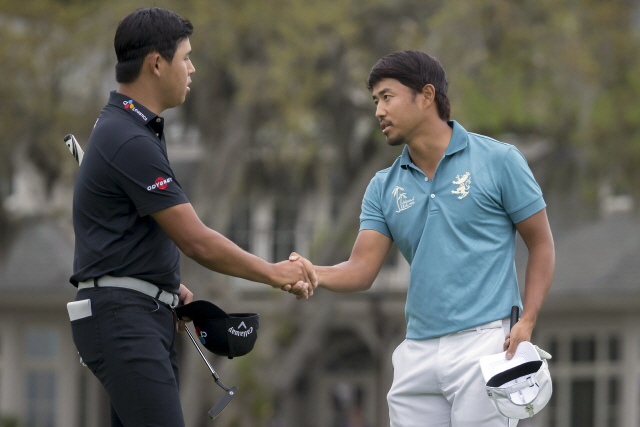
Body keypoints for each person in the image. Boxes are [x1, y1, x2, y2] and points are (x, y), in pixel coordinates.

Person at [69, 8, 315, 427]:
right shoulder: (129, 137)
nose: (192, 68)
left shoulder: (129, 129)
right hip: (123, 321)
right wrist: (274, 273)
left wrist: (161, 280)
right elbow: (197, 240)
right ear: (157, 63)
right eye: (185, 57)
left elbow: (128, 231)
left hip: (135, 315)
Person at [290, 51, 555, 426]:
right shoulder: (382, 186)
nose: (379, 111)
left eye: (387, 97)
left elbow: (541, 243)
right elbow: (361, 269)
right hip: (416, 350)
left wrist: (527, 321)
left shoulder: (499, 160)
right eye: (375, 101)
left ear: (426, 95)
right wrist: (311, 271)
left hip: (485, 343)